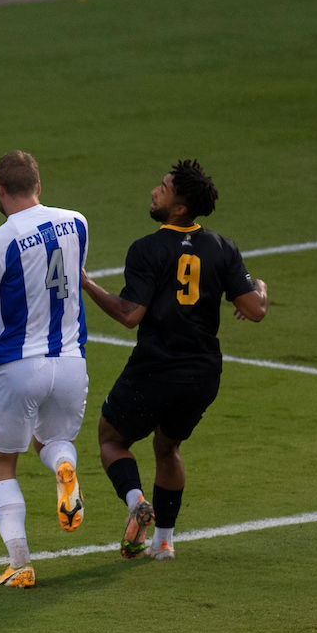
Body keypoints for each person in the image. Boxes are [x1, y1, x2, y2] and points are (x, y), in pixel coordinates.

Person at [82, 159, 268, 561]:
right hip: (202, 374)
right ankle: (164, 542)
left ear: (179, 207)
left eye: (163, 188)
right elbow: (255, 310)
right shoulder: (222, 248)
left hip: (155, 367)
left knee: (111, 440)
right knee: (168, 448)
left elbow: (130, 315)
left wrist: (86, 283)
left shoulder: (147, 249)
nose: (154, 191)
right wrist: (261, 286)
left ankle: (136, 501)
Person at [0, 150, 89, 587]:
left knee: (2, 463)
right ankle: (65, 467)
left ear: (0, 190)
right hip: (70, 363)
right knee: (55, 439)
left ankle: (21, 562)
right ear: (38, 184)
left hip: (16, 366)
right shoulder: (77, 223)